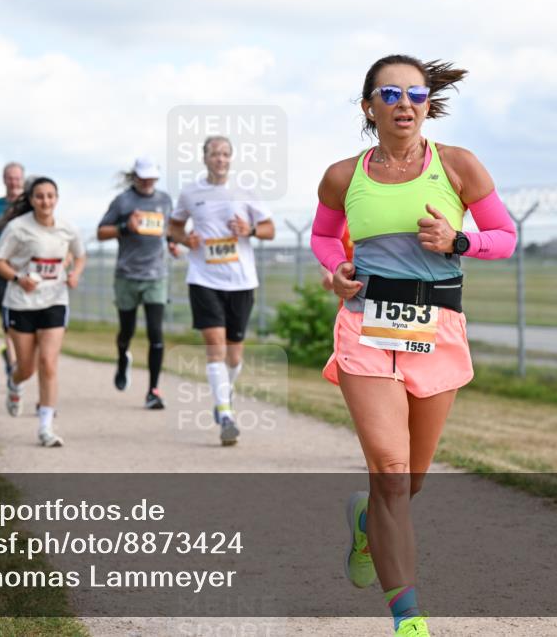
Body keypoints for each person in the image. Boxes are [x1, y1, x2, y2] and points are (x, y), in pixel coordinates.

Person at [310, 54, 517, 637]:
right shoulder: (342, 176)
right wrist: (337, 271)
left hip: (436, 329)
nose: (406, 104)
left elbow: (504, 237)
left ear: (429, 104)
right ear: (368, 106)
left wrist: (458, 239)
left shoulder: (457, 166)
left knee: (410, 481)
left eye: (417, 94)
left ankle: (364, 525)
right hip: (365, 327)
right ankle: (409, 619)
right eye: (391, 94)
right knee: (393, 473)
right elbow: (323, 237)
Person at [168, 136, 275, 446]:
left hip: (241, 280)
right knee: (214, 344)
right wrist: (184, 238)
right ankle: (226, 414)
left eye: (225, 154)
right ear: (205, 158)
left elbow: (269, 229)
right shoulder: (190, 193)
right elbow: (174, 228)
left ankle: (223, 396)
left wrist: (250, 230)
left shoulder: (245, 191)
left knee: (234, 354)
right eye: (214, 154)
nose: (220, 159)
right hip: (203, 278)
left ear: (231, 158)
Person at [0, 177, 86, 447]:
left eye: (50, 196)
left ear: (57, 198)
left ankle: (46, 427)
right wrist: (19, 278)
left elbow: (80, 255)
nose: (46, 201)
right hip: (22, 302)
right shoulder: (18, 228)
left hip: (55, 300)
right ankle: (14, 382)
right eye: (40, 196)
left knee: (48, 362)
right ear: (32, 200)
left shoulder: (68, 228)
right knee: (27, 368)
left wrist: (75, 273)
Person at [97, 156, 179, 409]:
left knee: (156, 333)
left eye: (151, 177)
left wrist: (173, 244)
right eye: (142, 177)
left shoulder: (164, 200)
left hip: (155, 276)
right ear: (135, 177)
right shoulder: (123, 201)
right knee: (127, 331)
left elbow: (168, 230)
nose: (147, 182)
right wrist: (125, 226)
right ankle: (123, 357)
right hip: (127, 276)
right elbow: (101, 232)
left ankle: (153, 390)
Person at [0, 162, 28, 378]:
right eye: (10, 177)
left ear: (23, 179)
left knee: (26, 315)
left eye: (17, 178)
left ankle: (22, 355)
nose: (14, 182)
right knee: (7, 315)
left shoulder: (29, 203)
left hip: (24, 267)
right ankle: (12, 361)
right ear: (4, 179)